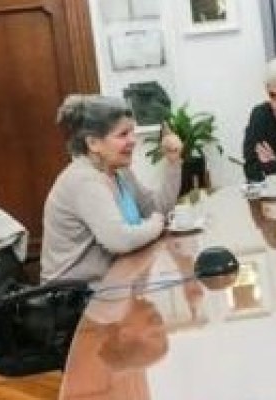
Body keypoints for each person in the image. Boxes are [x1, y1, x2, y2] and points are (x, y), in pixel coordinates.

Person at [41, 94, 184, 283]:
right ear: (93, 143)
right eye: (123, 134)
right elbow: (120, 240)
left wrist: (173, 161)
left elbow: (156, 208)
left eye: (132, 132)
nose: (133, 140)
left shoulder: (119, 171)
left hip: (113, 279)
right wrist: (157, 223)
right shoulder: (83, 180)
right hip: (74, 293)